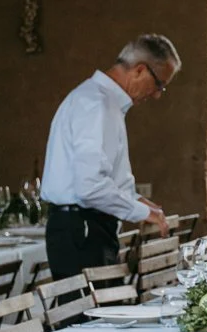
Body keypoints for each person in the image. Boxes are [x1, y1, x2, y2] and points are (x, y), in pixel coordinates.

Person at [41, 35, 179, 279]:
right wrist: (138, 211)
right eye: (159, 85)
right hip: (82, 230)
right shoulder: (97, 104)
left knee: (101, 314)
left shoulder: (103, 102)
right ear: (139, 70)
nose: (157, 95)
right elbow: (90, 187)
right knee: (89, 317)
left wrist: (134, 199)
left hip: (87, 226)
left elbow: (100, 178)